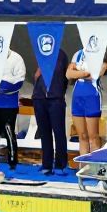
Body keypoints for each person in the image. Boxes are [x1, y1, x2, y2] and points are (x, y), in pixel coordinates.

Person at [0, 47, 26, 171]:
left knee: (9, 132)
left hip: (9, 104)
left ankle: (12, 162)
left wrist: (4, 85)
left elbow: (20, 79)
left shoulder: (17, 58)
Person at [33, 46, 69, 175]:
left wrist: (58, 93)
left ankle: (60, 164)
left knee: (59, 132)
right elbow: (37, 75)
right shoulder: (41, 52)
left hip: (55, 98)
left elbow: (64, 77)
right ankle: (46, 164)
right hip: (39, 97)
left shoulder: (61, 54)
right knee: (44, 132)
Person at [67, 43, 107, 156]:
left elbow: (95, 75)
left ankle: (95, 165)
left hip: (92, 96)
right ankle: (83, 164)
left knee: (93, 137)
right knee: (82, 136)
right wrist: (85, 73)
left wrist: (78, 73)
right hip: (77, 96)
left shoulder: (100, 54)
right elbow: (68, 74)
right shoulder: (78, 54)